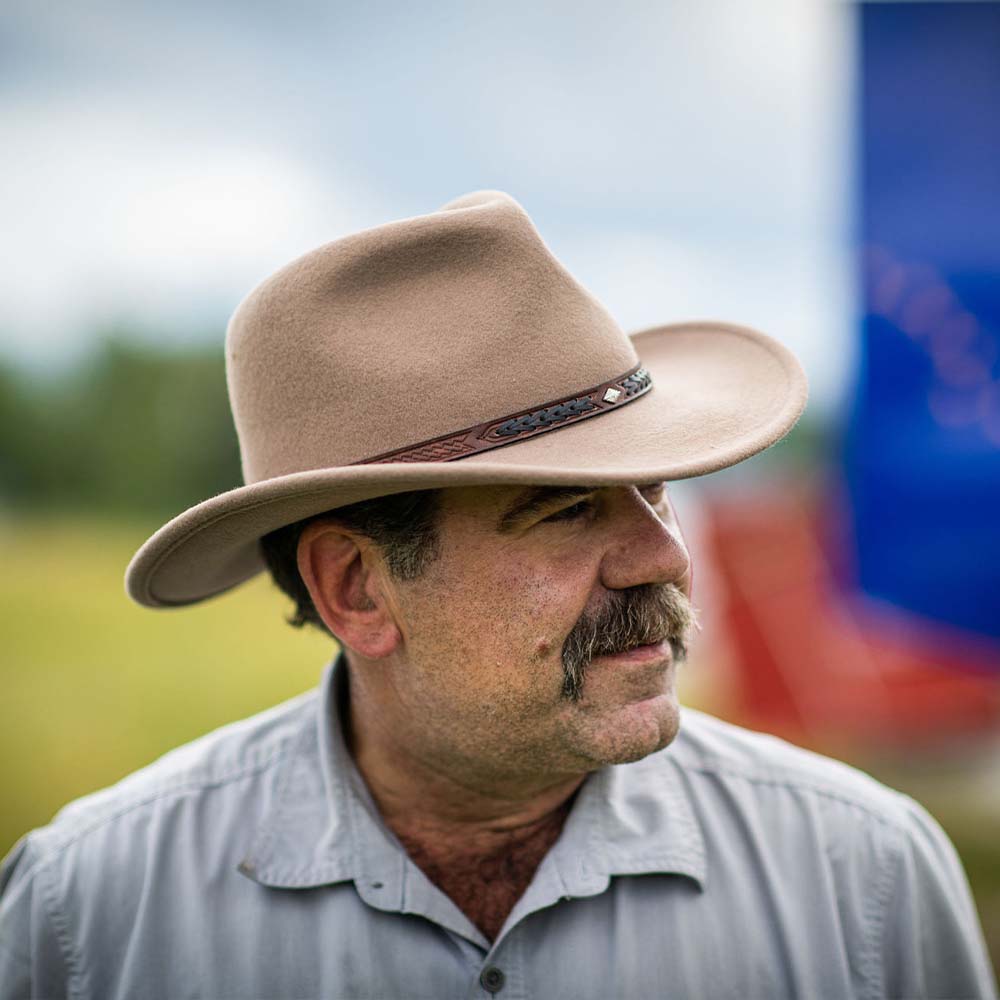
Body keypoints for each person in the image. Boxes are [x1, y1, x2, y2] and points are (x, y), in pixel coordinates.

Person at [0, 191, 995, 1000]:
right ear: (355, 589)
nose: (662, 557)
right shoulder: (90, 916)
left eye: (655, 491)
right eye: (564, 510)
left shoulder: (863, 877)